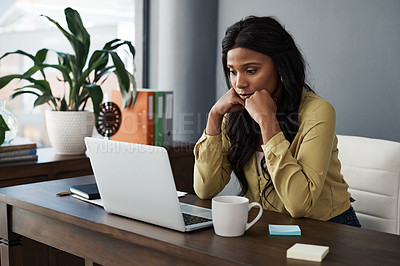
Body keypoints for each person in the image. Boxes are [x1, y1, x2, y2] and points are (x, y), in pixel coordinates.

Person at [193, 16, 361, 227]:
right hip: (269, 226)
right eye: (232, 71)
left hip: (328, 226)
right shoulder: (235, 112)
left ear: (280, 66)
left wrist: (267, 122)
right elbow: (205, 188)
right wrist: (214, 117)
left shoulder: (318, 112)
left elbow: (299, 205)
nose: (239, 83)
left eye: (251, 70)